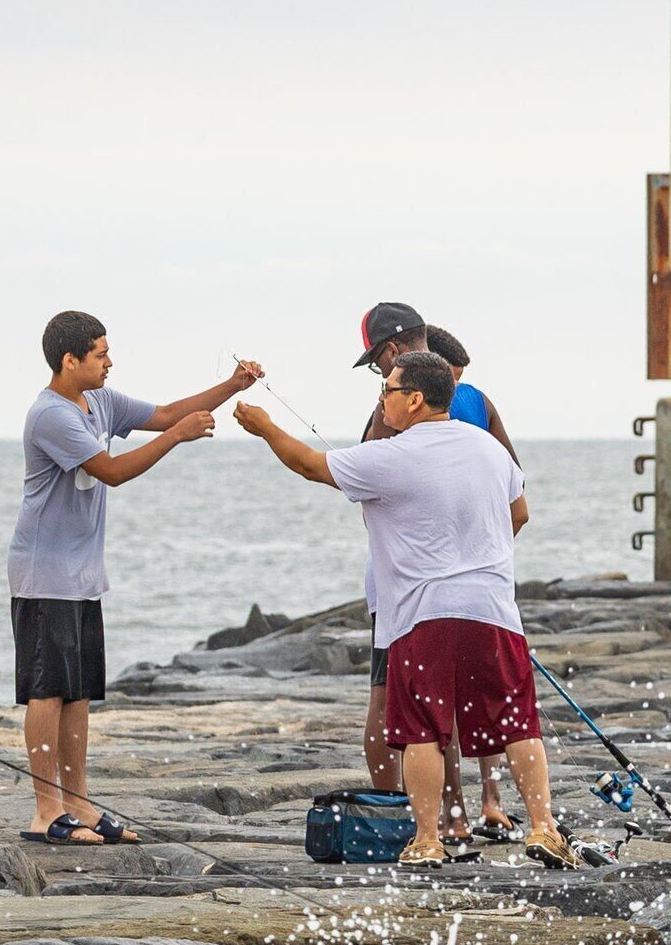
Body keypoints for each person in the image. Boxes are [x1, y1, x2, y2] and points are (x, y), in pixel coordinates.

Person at [235, 349, 572, 868]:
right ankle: (544, 827)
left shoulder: (390, 455)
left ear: (415, 400)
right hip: (494, 609)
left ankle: (427, 839)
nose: (382, 399)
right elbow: (519, 512)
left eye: (388, 391)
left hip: (422, 615)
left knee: (423, 730)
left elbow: (308, 464)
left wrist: (264, 426)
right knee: (519, 722)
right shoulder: (489, 450)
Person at [13, 312, 259, 844]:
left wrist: (232, 386)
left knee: (77, 694)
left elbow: (169, 411)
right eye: (100, 354)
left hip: (81, 574)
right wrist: (176, 437)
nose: (109, 361)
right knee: (46, 690)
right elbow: (113, 471)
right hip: (43, 574)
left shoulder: (100, 401)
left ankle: (79, 805)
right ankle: (44, 810)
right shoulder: (51, 415)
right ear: (69, 360)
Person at [340, 303, 521, 831]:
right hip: (481, 587)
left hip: (406, 589)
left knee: (389, 696)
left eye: (379, 368)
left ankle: (396, 814)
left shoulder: (390, 415)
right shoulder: (479, 405)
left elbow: (359, 484)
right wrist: (477, 558)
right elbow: (518, 503)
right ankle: (473, 808)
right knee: (468, 697)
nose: (381, 382)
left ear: (392, 353)